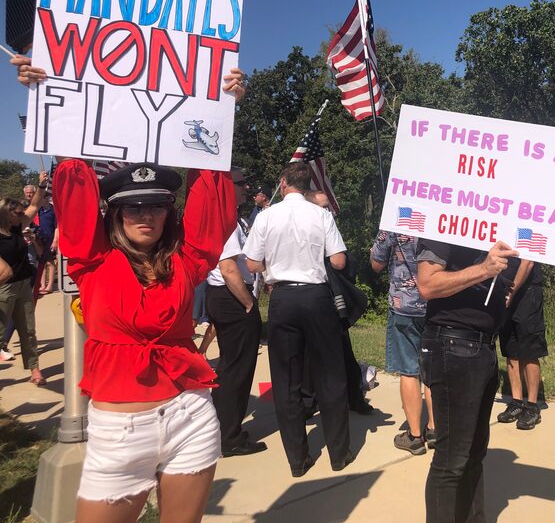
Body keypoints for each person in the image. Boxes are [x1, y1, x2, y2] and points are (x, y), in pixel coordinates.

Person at [50, 71, 244, 523]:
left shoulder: (187, 261)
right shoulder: (91, 260)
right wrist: (54, 100)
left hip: (189, 418)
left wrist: (222, 109)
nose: (145, 214)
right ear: (114, 213)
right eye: (133, 206)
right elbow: (74, 184)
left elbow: (210, 194)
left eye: (156, 204)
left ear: (167, 211)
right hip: (119, 433)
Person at [243, 162, 352, 477]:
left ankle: (298, 458)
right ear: (307, 187)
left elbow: (251, 264)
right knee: (330, 373)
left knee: (287, 378)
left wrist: (273, 263)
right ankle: (339, 453)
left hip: (283, 298)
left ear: (283, 183)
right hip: (316, 297)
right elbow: (339, 260)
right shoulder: (321, 215)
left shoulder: (266, 217)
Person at [417, 238, 518, 523]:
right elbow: (427, 284)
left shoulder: (500, 227)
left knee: (473, 456)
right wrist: (485, 269)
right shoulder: (445, 219)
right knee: (451, 461)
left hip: (484, 348)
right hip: (453, 346)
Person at [204, 167, 266, 457]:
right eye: (241, 183)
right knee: (236, 370)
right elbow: (229, 269)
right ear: (227, 187)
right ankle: (229, 436)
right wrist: (249, 303)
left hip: (226, 298)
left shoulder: (233, 219)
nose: (247, 188)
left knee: (232, 366)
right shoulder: (225, 220)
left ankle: (222, 429)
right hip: (232, 298)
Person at [306, 190, 374, 415]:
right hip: (312, 298)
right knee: (307, 353)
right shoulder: (304, 230)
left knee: (344, 351)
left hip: (332, 302)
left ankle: (354, 397)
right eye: (323, 207)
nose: (328, 211)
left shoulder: (329, 227)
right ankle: (308, 401)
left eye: (329, 207)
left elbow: (342, 263)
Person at [371, 230, 434, 454]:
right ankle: (434, 429)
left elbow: (376, 263)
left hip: (404, 305)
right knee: (431, 368)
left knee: (410, 371)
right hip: (435, 305)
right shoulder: (438, 215)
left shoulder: (395, 220)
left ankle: (415, 435)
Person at [0, 171, 50, 382]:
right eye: (18, 213)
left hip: (22, 286)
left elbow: (35, 206)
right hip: (4, 287)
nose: (23, 216)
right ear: (6, 213)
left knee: (28, 330)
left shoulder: (18, 228)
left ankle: (34, 370)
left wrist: (41, 186)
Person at [497, 259, 547, 430]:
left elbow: (528, 263)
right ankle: (517, 402)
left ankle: (532, 407)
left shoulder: (529, 232)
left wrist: (510, 293)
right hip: (506, 290)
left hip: (528, 291)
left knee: (529, 350)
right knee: (511, 349)